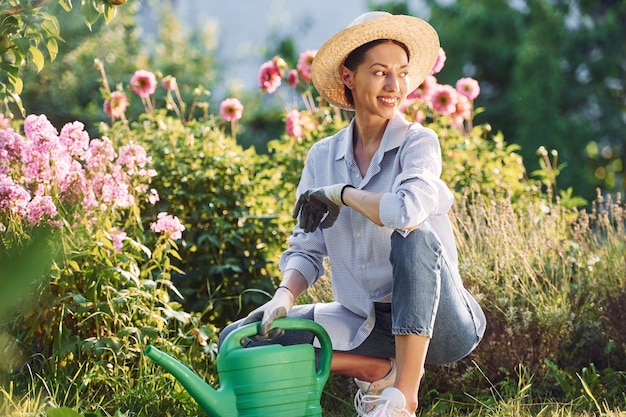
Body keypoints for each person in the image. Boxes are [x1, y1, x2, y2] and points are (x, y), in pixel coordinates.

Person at [218, 11, 486, 416]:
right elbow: (308, 248)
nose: (394, 86)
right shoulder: (322, 157)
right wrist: (284, 296)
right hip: (364, 321)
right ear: (348, 76)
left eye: (401, 73)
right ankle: (375, 369)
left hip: (442, 324)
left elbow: (406, 211)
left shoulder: (419, 143)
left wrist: (342, 194)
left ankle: (404, 399)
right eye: (380, 72)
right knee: (243, 336)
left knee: (414, 237)